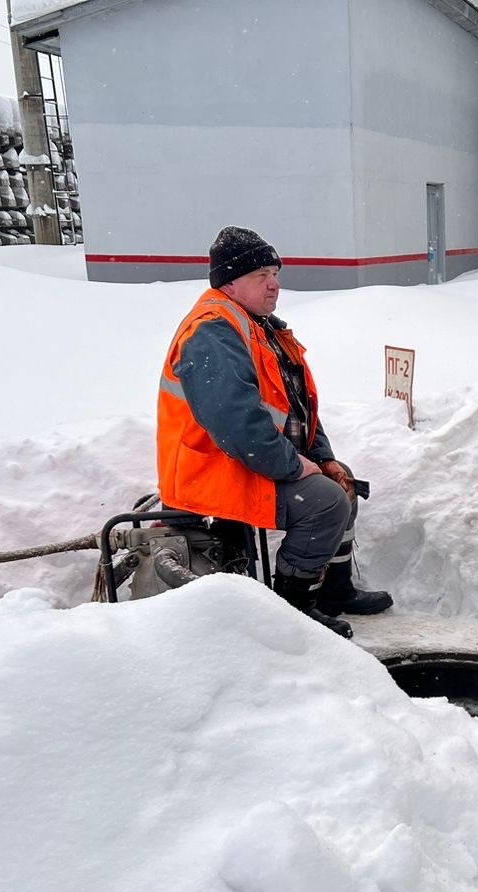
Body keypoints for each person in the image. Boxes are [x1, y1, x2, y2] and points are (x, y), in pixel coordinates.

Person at [156, 226, 393, 638]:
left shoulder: (259, 326)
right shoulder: (212, 330)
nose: (274, 285)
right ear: (229, 282)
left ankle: (334, 590)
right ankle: (293, 609)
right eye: (261, 275)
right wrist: (293, 466)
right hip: (213, 472)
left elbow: (297, 407)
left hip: (246, 460)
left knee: (341, 484)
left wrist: (324, 458)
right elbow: (237, 425)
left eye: (275, 273)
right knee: (323, 503)